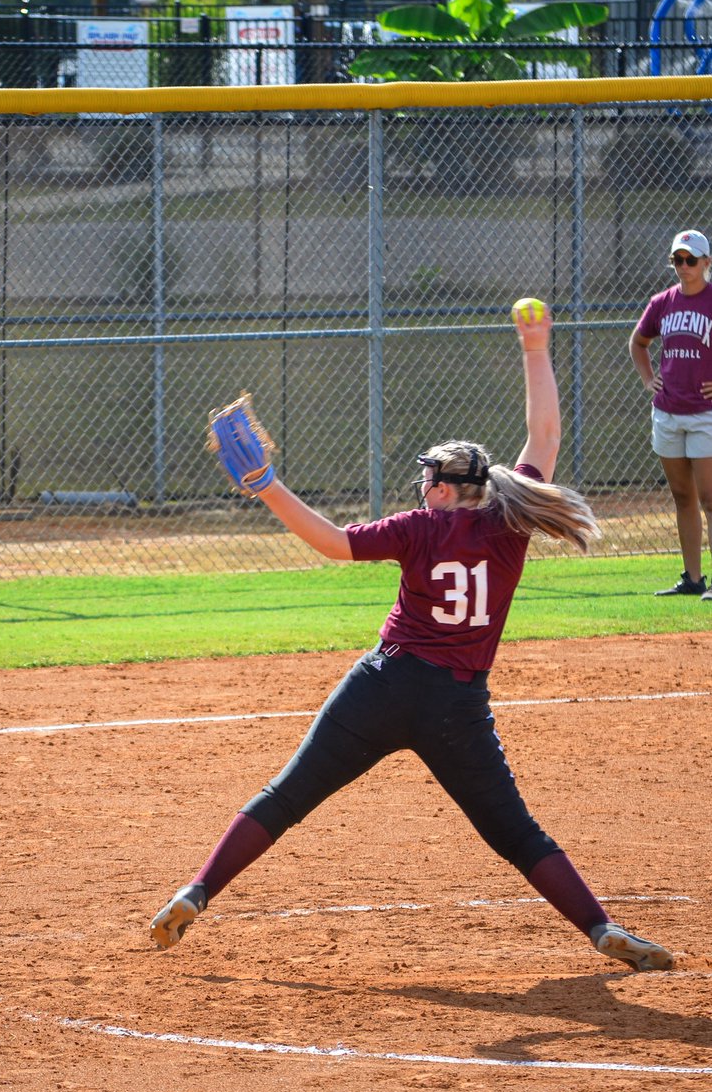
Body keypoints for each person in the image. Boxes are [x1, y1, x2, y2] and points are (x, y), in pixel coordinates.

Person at [151, 303, 675, 973]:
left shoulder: (417, 527)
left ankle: (196, 892)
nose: (422, 486)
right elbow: (544, 432)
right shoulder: (508, 524)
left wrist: (267, 486)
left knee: (286, 796)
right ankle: (600, 928)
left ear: (448, 491)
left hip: (382, 687)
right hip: (456, 707)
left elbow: (332, 543)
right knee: (516, 833)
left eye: (429, 479)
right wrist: (535, 346)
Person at [629, 228, 712, 600]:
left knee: (710, 497)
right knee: (682, 495)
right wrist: (649, 379)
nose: (684, 266)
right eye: (678, 259)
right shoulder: (662, 302)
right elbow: (639, 342)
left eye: (691, 260)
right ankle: (693, 579)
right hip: (668, 412)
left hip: (705, 413)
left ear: (706, 262)